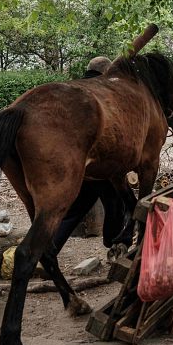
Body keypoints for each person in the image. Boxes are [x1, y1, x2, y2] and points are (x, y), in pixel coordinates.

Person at [51, 55, 137, 254]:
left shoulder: (74, 87)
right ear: (105, 73)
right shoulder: (101, 91)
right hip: (103, 162)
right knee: (116, 202)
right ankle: (113, 241)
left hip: (78, 164)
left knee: (76, 209)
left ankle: (50, 251)